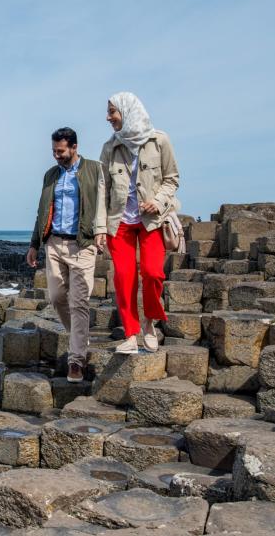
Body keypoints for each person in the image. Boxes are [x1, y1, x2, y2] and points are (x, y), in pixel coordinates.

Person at [24, 127, 106, 383]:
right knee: (58, 298)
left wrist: (104, 231)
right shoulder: (51, 175)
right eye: (53, 152)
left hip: (83, 244)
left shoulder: (94, 169)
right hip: (54, 243)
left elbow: (106, 201)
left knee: (79, 302)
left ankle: (76, 360)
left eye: (60, 151)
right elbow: (42, 211)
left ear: (74, 147)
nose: (56, 156)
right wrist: (34, 244)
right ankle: (79, 337)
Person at [101, 92, 179, 356]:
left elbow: (172, 179)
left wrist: (157, 201)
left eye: (113, 111)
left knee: (153, 272)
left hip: (152, 221)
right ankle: (131, 334)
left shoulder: (160, 141)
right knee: (123, 279)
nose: (108, 117)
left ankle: (149, 323)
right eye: (109, 112)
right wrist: (100, 227)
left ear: (128, 111)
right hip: (119, 222)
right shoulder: (110, 148)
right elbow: (103, 190)